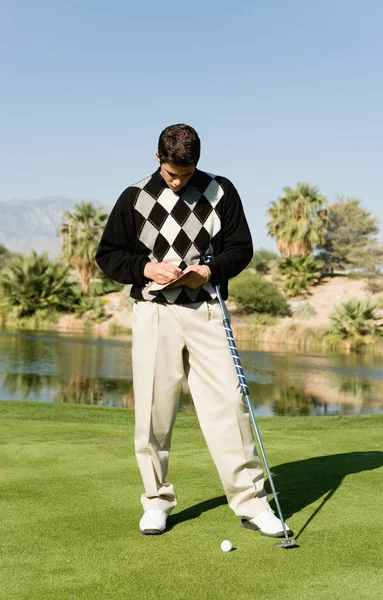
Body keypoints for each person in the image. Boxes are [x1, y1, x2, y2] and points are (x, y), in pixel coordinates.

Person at [95, 124, 292, 538]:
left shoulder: (221, 191)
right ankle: (156, 501)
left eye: (186, 174)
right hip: (154, 313)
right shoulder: (134, 197)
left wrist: (206, 270)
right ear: (157, 158)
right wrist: (146, 268)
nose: (179, 181)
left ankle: (252, 503)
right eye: (171, 175)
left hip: (207, 310)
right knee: (153, 412)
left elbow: (241, 249)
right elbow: (109, 255)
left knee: (230, 406)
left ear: (198, 161)